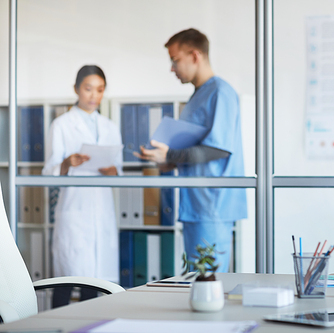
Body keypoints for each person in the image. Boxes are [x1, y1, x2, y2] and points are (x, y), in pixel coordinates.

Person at [135, 29, 247, 273]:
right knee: (197, 280)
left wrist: (171, 156)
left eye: (175, 60)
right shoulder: (198, 95)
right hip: (196, 205)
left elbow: (218, 148)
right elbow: (196, 148)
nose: (172, 68)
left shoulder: (220, 92)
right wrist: (169, 162)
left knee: (210, 282)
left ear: (195, 55)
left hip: (212, 206)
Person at [42, 65, 122, 306]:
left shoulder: (110, 127)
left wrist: (112, 171)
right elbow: (48, 172)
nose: (94, 96)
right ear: (76, 89)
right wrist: (67, 163)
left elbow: (118, 171)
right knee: (66, 281)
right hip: (74, 213)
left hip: (102, 212)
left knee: (95, 285)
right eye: (88, 89)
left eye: (100, 90)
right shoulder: (62, 125)